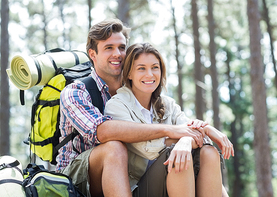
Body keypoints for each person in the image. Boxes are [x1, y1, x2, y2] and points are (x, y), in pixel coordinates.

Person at [56, 19, 215, 197]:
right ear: (93, 54)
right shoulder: (76, 92)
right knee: (114, 148)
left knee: (199, 156)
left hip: (130, 173)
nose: (117, 54)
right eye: (109, 48)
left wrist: (191, 136)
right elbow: (102, 132)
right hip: (77, 175)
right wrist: (172, 131)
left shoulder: (140, 92)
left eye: (122, 47)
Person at [104, 43, 234, 197]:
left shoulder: (167, 104)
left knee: (208, 152)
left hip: (175, 180)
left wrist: (194, 136)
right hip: (142, 187)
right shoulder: (117, 105)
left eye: (155, 67)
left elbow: (195, 134)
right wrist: (187, 138)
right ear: (129, 74)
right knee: (177, 155)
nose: (150, 74)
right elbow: (150, 149)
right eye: (141, 68)